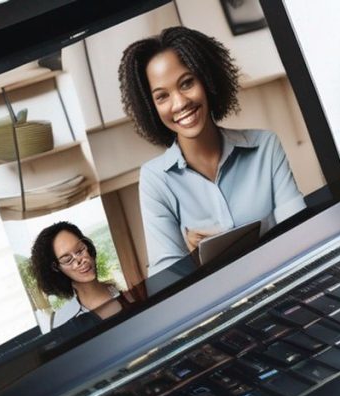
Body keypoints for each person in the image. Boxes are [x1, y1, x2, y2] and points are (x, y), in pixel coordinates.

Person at [119, 26, 306, 276]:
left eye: (186, 83)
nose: (180, 103)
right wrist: (193, 259)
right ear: (150, 107)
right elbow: (167, 281)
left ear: (206, 80)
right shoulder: (155, 179)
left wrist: (232, 246)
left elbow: (302, 234)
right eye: (162, 96)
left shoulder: (265, 147)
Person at [29, 221, 132, 329]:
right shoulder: (64, 322)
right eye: (68, 260)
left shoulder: (125, 287)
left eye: (80, 250)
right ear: (56, 268)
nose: (79, 260)